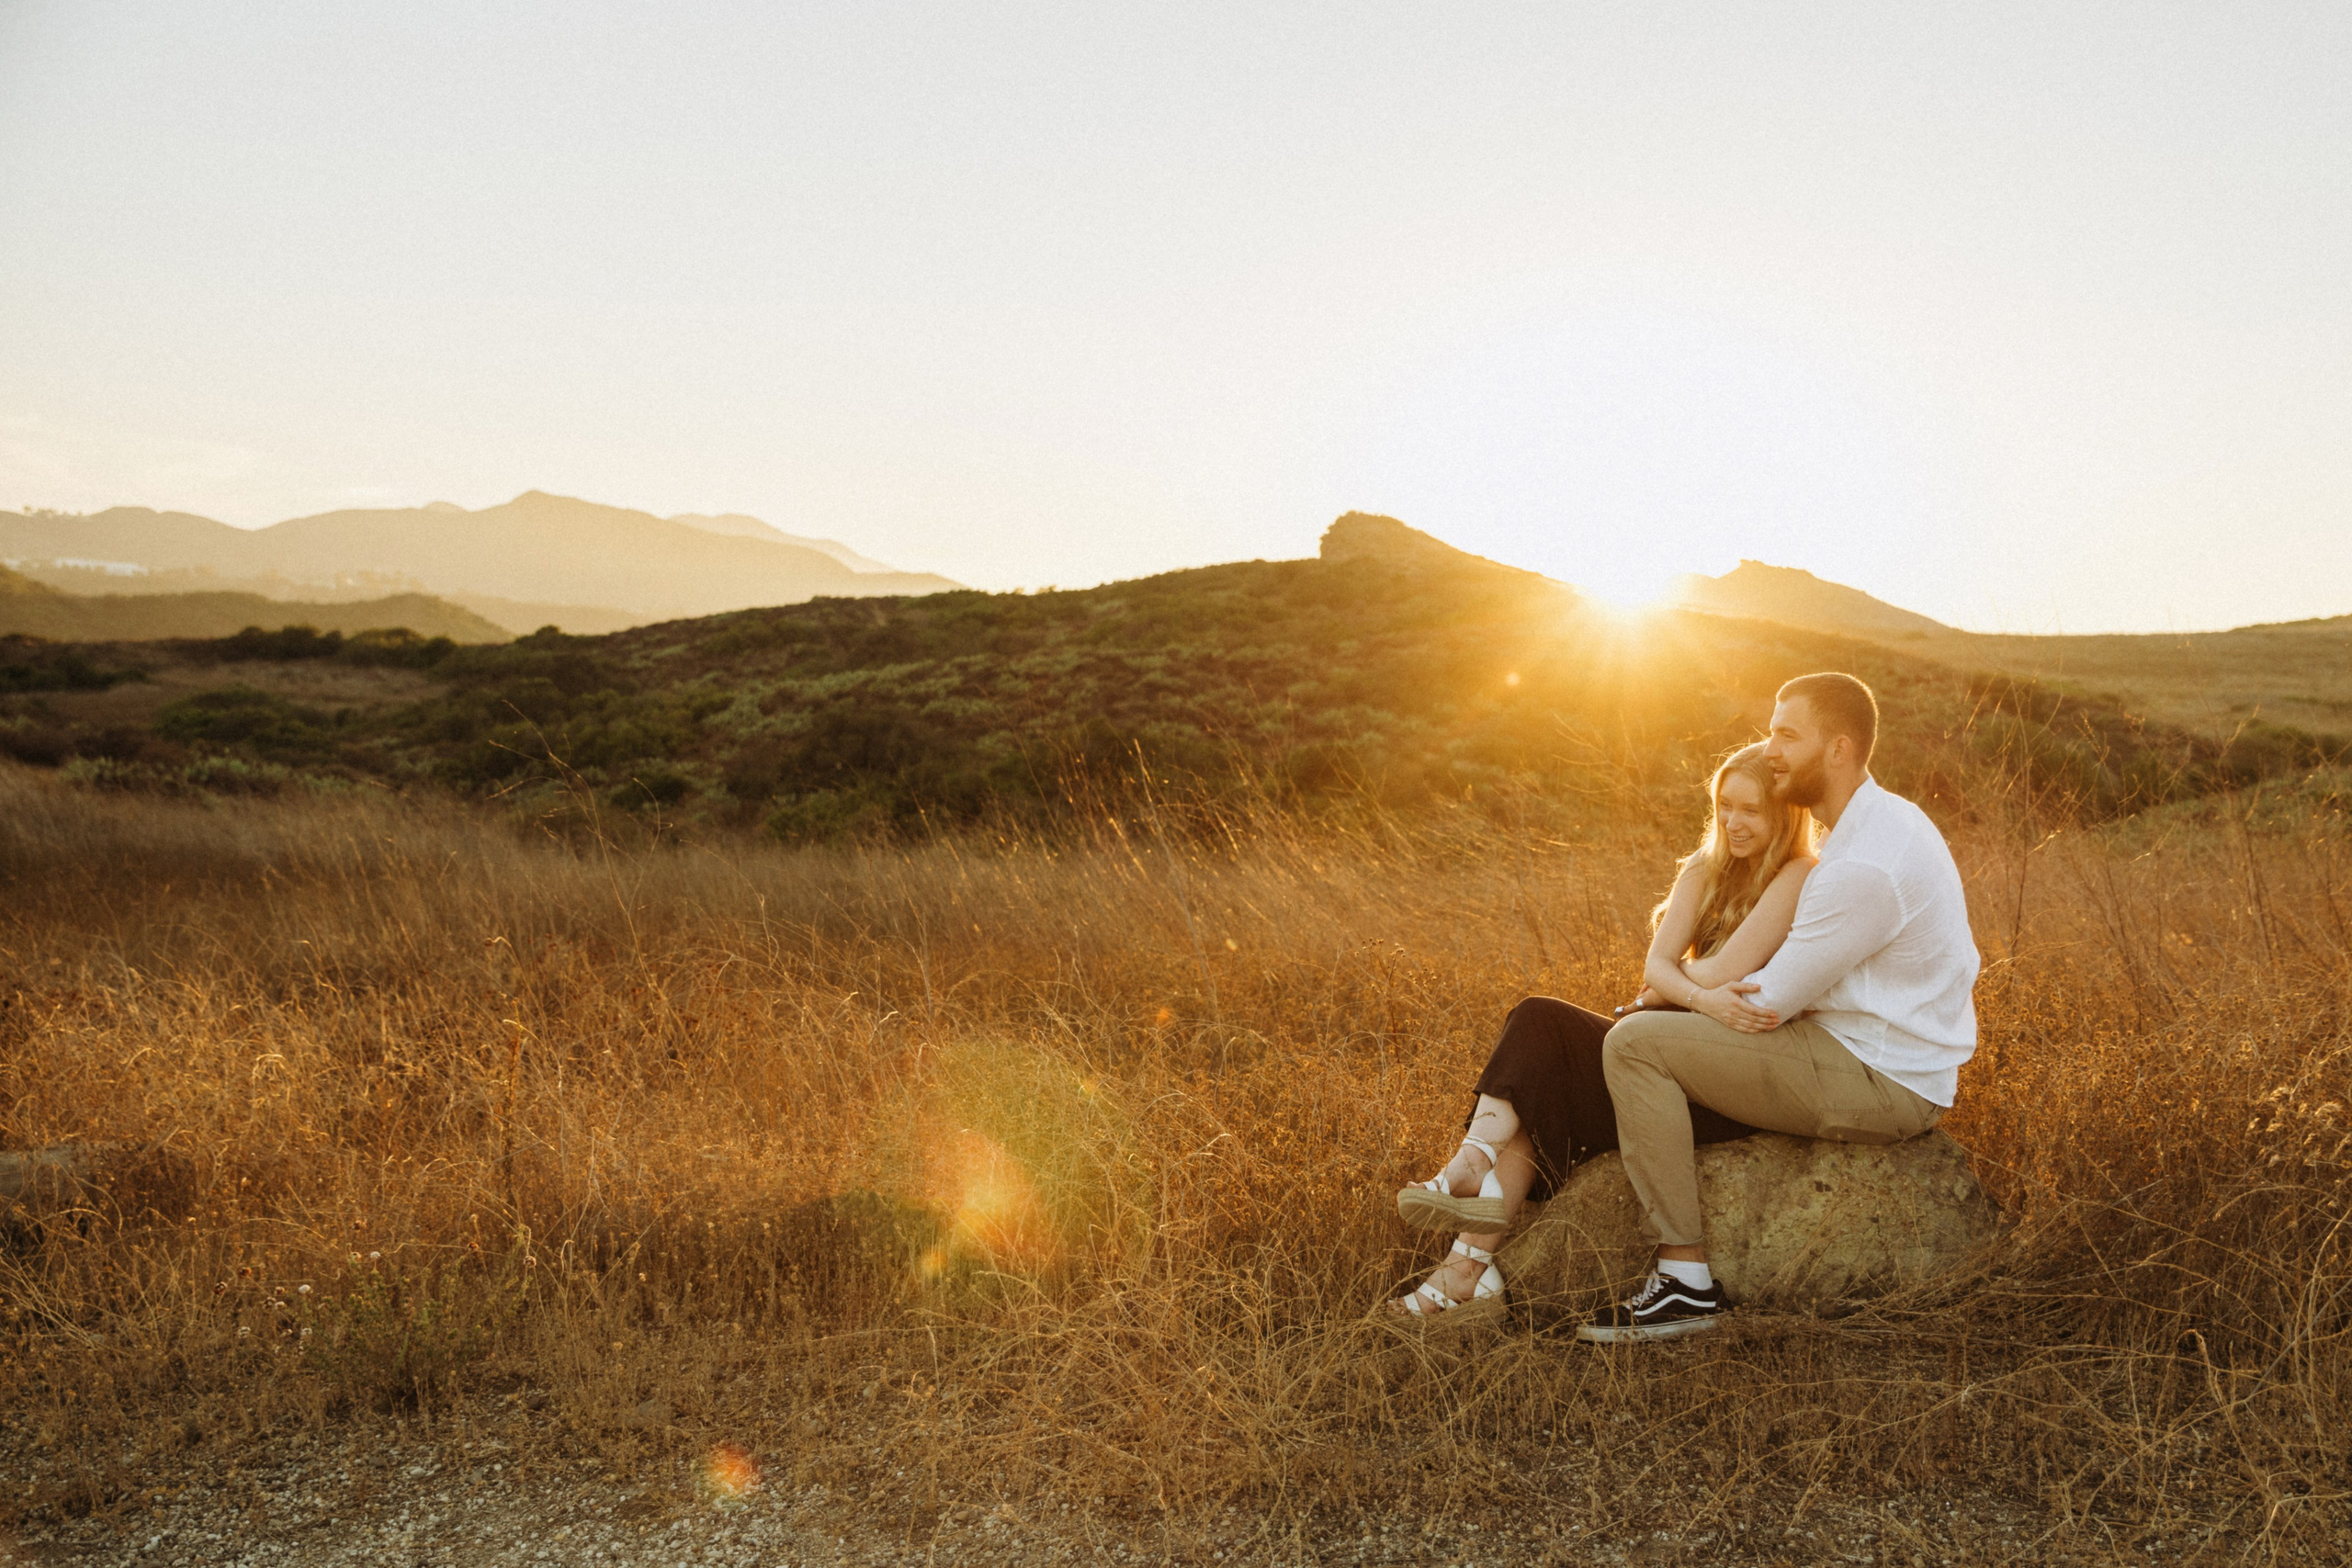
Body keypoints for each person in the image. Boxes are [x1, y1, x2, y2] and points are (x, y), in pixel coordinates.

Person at [1580, 671, 1981, 1343]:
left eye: (1787, 736)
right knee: (1643, 1031)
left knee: (1634, 1043)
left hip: (1881, 1077)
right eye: (1771, 733)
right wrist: (1695, 989)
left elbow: (1764, 1005)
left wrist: (1669, 990)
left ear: (1839, 749)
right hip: (1876, 1055)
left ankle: (1685, 1283)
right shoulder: (1880, 824)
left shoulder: (1861, 865)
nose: (1770, 751)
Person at [1385, 740, 1817, 1321]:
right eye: (1724, 807)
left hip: (1724, 1073)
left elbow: (1714, 972)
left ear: (1783, 815)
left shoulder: (1798, 873)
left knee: (1540, 1019)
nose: (1733, 823)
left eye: (1751, 810)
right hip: (1653, 1053)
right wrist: (1681, 993)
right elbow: (1655, 967)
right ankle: (1463, 1263)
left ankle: (1469, 1181)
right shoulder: (1705, 865)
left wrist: (1671, 991)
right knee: (1537, 1086)